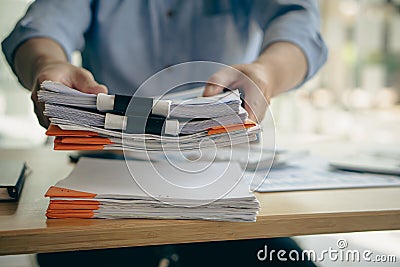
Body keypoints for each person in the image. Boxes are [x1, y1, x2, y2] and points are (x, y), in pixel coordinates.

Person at [2, 1, 328, 266]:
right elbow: (41, 24)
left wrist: (267, 72)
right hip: (103, 187)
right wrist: (46, 65)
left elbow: (298, 23)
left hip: (220, 184)